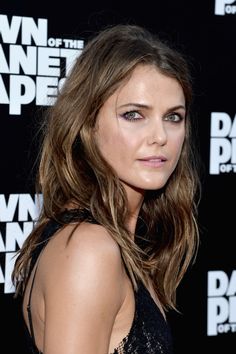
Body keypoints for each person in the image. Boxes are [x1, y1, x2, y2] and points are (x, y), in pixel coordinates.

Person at [12, 23, 201, 354]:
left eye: (173, 117)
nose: (160, 136)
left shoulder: (111, 240)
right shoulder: (89, 250)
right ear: (87, 125)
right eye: (133, 115)